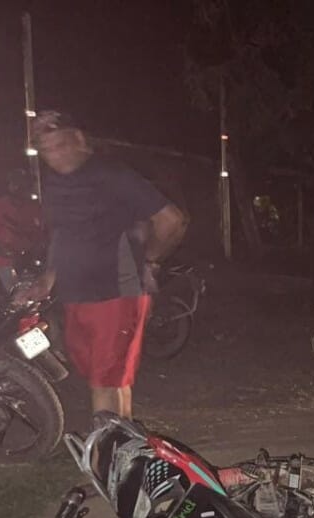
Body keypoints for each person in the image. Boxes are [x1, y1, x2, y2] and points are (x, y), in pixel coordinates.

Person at [20, 111, 188, 418]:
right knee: (103, 380)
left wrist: (149, 260)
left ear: (81, 140)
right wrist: (49, 277)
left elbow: (171, 220)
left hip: (117, 292)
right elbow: (64, 232)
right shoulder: (55, 184)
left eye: (61, 144)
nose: (55, 155)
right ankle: (122, 450)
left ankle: (103, 460)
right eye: (46, 149)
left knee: (106, 382)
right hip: (75, 296)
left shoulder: (113, 175)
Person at [0, 169, 45, 292]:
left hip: (30, 262)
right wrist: (2, 249)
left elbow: (40, 234)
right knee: (14, 296)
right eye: (17, 183)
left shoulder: (34, 207)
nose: (20, 187)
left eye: (25, 183)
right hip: (5, 262)